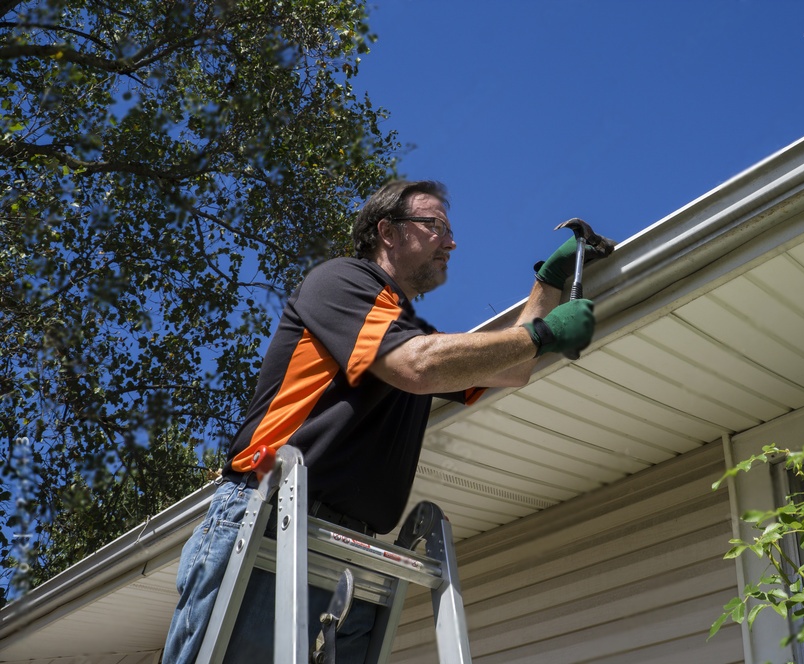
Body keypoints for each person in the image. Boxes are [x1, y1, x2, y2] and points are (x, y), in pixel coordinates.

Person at [162, 180, 605, 663]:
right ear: (387, 232)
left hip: (345, 549)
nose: (451, 243)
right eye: (435, 226)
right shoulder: (339, 282)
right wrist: (544, 332)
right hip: (267, 519)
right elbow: (419, 365)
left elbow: (511, 368)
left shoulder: (406, 334)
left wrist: (548, 284)